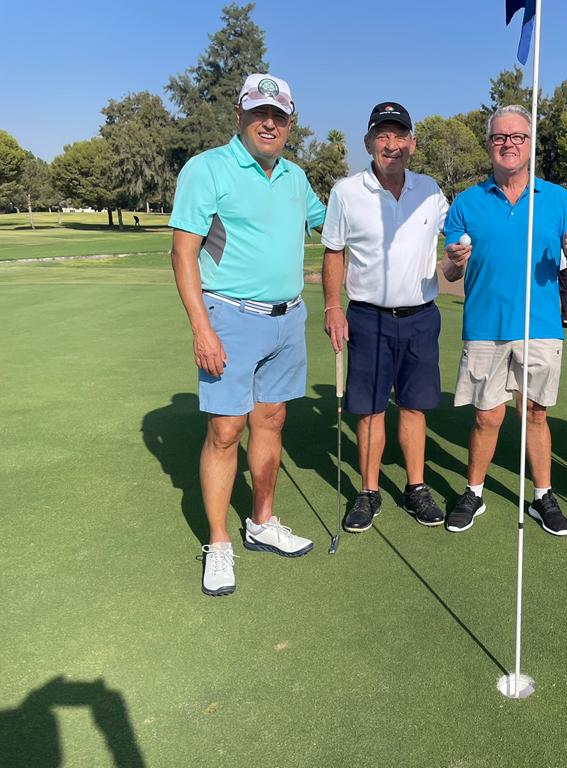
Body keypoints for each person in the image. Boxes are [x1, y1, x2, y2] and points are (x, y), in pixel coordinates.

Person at [169, 73, 326, 596]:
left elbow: (334, 226)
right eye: (260, 112)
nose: (269, 122)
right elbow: (183, 252)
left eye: (278, 115)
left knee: (272, 422)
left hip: (288, 319)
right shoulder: (208, 168)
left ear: (289, 123)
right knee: (225, 431)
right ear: (240, 114)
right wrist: (202, 329)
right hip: (230, 318)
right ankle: (218, 543)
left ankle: (262, 522)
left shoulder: (296, 178)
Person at [441, 105, 567, 536]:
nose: (509, 144)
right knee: (486, 416)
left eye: (518, 137)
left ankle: (542, 496)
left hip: (539, 327)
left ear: (530, 143)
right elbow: (450, 272)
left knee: (535, 413)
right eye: (500, 138)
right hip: (486, 325)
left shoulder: (557, 199)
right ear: (489, 145)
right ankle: (474, 491)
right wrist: (453, 260)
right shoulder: (466, 202)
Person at [321, 102, 449, 532]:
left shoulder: (430, 189)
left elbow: (460, 236)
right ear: (368, 143)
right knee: (370, 409)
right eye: (382, 136)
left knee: (415, 407)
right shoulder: (346, 191)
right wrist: (333, 306)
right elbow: (334, 251)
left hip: (420, 316)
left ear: (412, 143)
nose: (391, 144)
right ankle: (369, 491)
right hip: (369, 317)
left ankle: (416, 488)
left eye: (399, 136)